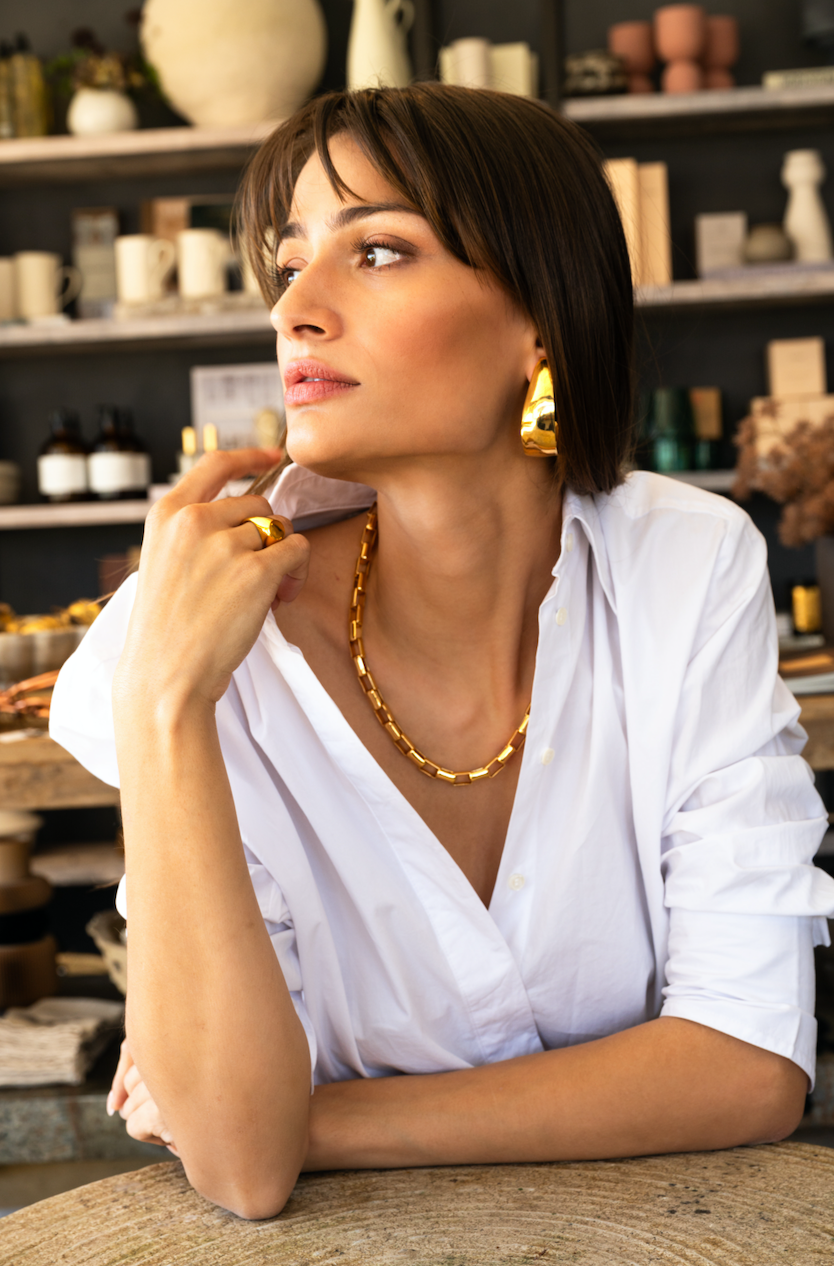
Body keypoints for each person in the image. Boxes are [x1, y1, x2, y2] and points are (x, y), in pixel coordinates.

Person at [50, 84, 834, 1221]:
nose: (296, 311)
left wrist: (310, 1116)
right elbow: (238, 1169)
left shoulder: (683, 563)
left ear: (541, 321)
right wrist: (165, 703)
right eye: (287, 263)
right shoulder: (213, 646)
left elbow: (752, 1066)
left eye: (375, 251)